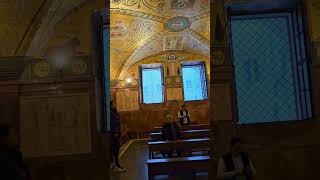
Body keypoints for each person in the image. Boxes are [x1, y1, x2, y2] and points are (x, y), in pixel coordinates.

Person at [110, 100, 126, 173]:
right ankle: (115, 165)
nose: (115, 105)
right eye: (113, 104)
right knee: (115, 149)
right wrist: (116, 133)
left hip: (115, 134)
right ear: (111, 105)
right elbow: (114, 124)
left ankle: (115, 164)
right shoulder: (111, 113)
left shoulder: (114, 112)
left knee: (116, 149)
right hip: (113, 135)